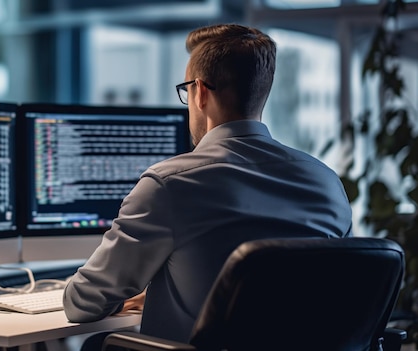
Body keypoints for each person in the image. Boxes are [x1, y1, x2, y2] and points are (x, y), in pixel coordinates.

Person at [62, 23, 353, 345]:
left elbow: (83, 304)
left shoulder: (169, 185)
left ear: (200, 92)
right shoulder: (326, 182)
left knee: (95, 344)